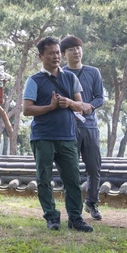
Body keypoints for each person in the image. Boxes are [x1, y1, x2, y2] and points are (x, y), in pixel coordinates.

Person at [23, 37, 94, 232]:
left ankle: (75, 218)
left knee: (72, 179)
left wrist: (69, 103)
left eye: (57, 52)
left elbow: (82, 106)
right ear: (40, 56)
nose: (56, 56)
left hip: (68, 136)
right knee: (44, 178)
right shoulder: (34, 80)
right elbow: (27, 110)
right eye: (51, 53)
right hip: (42, 136)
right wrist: (50, 106)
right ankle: (51, 217)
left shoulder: (70, 78)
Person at [60, 34, 106, 221]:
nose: (76, 52)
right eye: (71, 49)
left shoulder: (93, 72)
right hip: (68, 127)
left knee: (94, 167)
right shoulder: (61, 73)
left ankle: (92, 203)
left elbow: (100, 97)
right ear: (64, 54)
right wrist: (74, 107)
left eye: (78, 48)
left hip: (90, 126)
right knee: (69, 168)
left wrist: (89, 106)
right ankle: (73, 206)